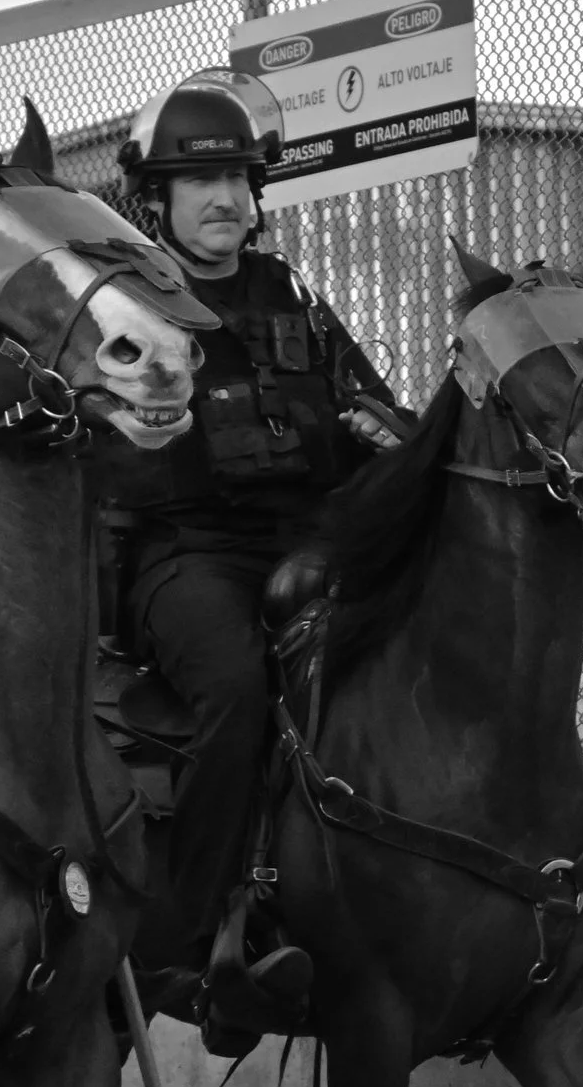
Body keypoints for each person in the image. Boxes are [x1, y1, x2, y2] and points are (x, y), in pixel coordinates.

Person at [94, 68, 405, 1037]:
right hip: (186, 554)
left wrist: (387, 432)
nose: (227, 196)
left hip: (310, 544)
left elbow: (373, 405)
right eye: (202, 181)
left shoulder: (295, 295)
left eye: (238, 176)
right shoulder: (127, 303)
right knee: (233, 683)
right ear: (157, 199)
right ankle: (186, 944)